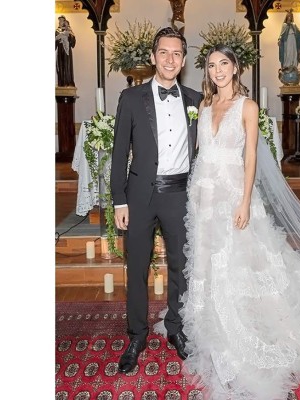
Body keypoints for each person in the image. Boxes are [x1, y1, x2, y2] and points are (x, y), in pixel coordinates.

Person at [176, 44, 300, 399]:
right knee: (205, 259)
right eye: (212, 65)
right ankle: (208, 320)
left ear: (235, 67)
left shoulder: (248, 106)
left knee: (239, 260)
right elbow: (199, 152)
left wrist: (244, 201)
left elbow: (251, 155)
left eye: (224, 63)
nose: (218, 70)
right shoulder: (204, 106)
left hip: (232, 195)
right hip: (203, 195)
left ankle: (246, 323)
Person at [110, 27, 203, 374]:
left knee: (181, 266)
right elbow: (120, 152)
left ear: (183, 60)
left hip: (180, 195)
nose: (169, 59)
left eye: (176, 53)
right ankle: (136, 335)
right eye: (163, 52)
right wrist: (119, 200)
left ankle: (176, 328)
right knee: (136, 269)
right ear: (152, 57)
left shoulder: (196, 100)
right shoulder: (131, 98)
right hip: (139, 197)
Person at [55, 15, 76, 87]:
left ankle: (68, 82)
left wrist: (69, 36)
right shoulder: (57, 31)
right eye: (59, 21)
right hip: (60, 50)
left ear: (64, 21)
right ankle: (61, 83)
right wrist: (58, 40)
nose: (60, 22)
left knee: (67, 65)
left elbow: (73, 42)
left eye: (61, 20)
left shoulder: (69, 30)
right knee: (60, 65)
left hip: (67, 51)